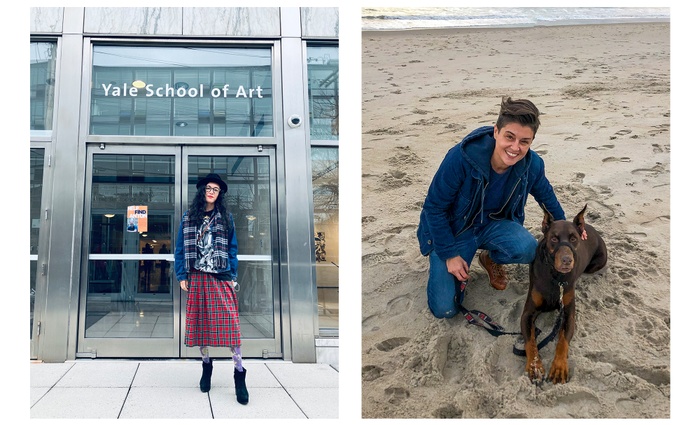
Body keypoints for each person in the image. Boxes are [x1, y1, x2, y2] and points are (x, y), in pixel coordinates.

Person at [417, 97, 567, 319]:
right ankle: (446, 261)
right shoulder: (461, 157)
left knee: (527, 248)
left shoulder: (532, 165)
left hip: (493, 226)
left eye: (524, 142)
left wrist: (566, 233)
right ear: (496, 131)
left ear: (532, 141)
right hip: (455, 230)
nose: (515, 148)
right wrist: (450, 255)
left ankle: (490, 258)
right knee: (445, 309)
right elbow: (433, 208)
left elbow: (547, 197)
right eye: (510, 137)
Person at [174, 173, 248, 405]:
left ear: (220, 194)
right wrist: (181, 274)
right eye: (208, 187)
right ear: (202, 191)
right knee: (201, 326)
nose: (211, 191)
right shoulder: (188, 218)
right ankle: (206, 367)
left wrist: (233, 276)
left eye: (216, 189)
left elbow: (233, 248)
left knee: (231, 328)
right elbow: (179, 248)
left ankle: (239, 374)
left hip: (220, 277)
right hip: (196, 277)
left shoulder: (226, 217)